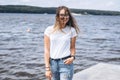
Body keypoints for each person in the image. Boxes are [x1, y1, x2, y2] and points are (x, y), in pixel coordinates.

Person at [44, 6, 79, 80]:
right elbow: (47, 50)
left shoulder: (72, 30)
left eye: (67, 15)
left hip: (66, 64)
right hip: (53, 64)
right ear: (57, 16)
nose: (65, 17)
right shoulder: (49, 30)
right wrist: (47, 68)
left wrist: (72, 57)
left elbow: (72, 47)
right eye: (62, 15)